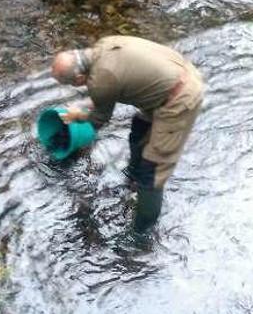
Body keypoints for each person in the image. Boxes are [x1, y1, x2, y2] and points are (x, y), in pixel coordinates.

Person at [50, 35, 204, 247]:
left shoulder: (100, 79)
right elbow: (106, 90)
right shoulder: (102, 45)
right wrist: (81, 110)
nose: (76, 86)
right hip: (174, 77)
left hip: (180, 98)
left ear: (78, 79)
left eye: (70, 84)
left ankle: (141, 234)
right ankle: (132, 179)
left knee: (153, 170)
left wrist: (77, 125)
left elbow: (98, 119)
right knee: (140, 128)